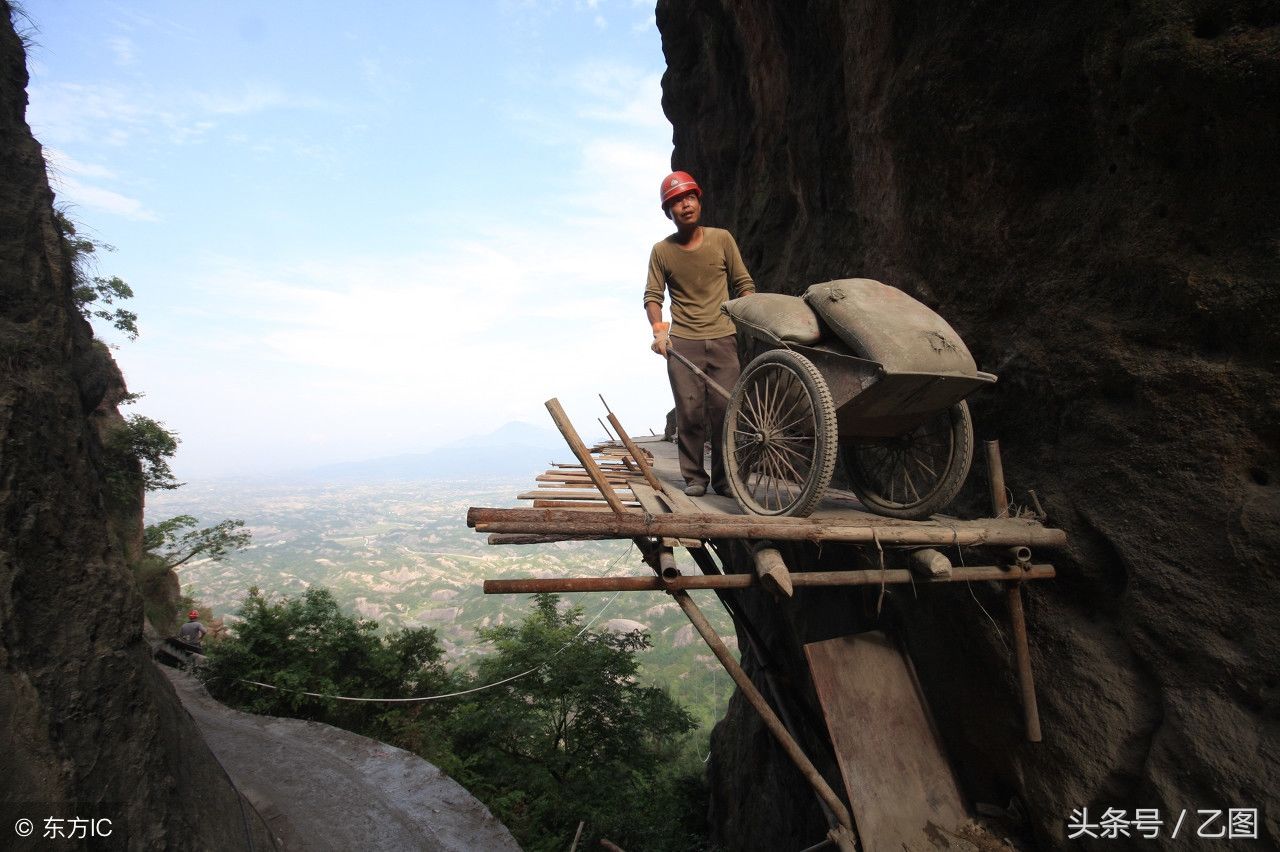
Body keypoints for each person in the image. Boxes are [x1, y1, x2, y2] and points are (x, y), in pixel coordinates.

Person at [644, 171, 755, 497]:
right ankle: (695, 478)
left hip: (723, 337)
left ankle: (723, 480)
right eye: (676, 202)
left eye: (689, 197)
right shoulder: (662, 251)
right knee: (689, 413)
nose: (685, 205)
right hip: (684, 343)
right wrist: (659, 331)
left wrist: (749, 317)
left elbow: (744, 285)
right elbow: (653, 296)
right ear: (669, 212)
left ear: (699, 200)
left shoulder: (722, 239)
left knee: (725, 412)